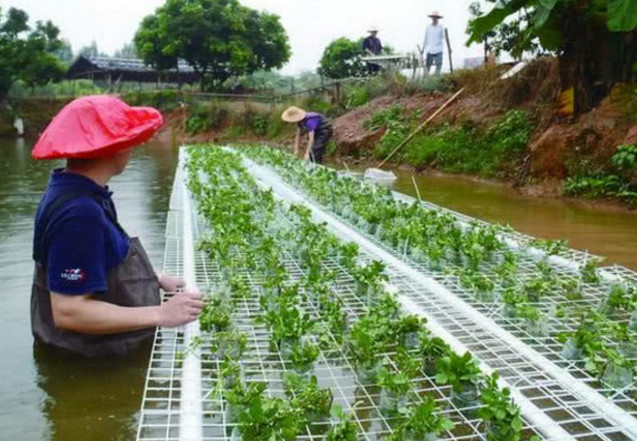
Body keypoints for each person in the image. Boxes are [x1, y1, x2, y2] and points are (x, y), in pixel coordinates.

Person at [30, 95, 203, 357]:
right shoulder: (78, 213)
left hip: (98, 352)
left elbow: (96, 259)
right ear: (115, 147)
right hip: (87, 363)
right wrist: (161, 313)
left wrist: (155, 278)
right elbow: (68, 311)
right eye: (128, 140)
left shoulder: (82, 192)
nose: (132, 148)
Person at [423, 11, 445, 75]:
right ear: (432, 18)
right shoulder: (428, 27)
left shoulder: (441, 27)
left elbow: (444, 37)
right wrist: (423, 48)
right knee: (427, 66)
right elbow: (425, 38)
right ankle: (426, 79)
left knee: (439, 64)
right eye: (433, 17)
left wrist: (449, 47)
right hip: (429, 49)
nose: (434, 19)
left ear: (438, 18)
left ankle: (436, 76)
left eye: (436, 17)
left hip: (438, 49)